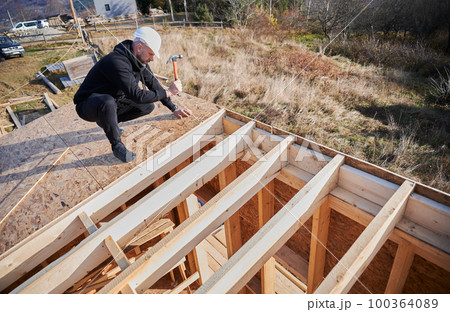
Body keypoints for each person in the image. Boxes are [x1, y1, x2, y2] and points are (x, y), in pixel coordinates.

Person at [73, 27, 191, 162]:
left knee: (147, 106)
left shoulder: (140, 62)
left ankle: (106, 121)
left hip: (112, 101)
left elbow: (153, 83)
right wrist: (168, 91)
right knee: (107, 101)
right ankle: (117, 146)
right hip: (88, 105)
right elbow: (137, 95)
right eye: (151, 54)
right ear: (139, 47)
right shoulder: (117, 62)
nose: (152, 59)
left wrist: (174, 108)